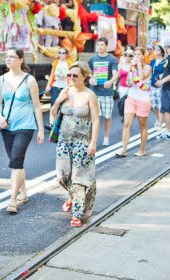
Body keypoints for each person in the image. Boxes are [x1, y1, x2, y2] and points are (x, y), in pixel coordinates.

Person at [0, 48, 44, 214]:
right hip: (7, 126)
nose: (8, 59)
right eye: (7, 56)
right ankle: (23, 192)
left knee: (16, 159)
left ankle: (12, 200)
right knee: (17, 161)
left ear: (21, 60)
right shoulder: (1, 79)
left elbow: (37, 106)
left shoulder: (30, 80)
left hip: (26, 125)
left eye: (12, 57)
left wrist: (41, 130)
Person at [51, 61, 99, 227]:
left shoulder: (90, 96)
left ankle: (77, 214)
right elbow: (53, 113)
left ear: (85, 77)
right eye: (69, 75)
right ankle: (74, 197)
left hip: (82, 142)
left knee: (78, 178)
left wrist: (93, 143)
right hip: (64, 141)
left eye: (75, 76)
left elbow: (95, 120)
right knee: (62, 176)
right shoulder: (65, 91)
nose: (71, 78)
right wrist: (58, 101)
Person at [116, 47, 152, 157]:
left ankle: (142, 150)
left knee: (143, 126)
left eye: (138, 54)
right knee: (127, 124)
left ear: (143, 55)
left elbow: (141, 78)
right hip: (131, 98)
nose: (136, 57)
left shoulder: (147, 67)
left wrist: (139, 65)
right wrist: (129, 81)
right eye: (134, 55)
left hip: (143, 100)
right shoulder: (132, 68)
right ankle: (123, 150)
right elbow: (127, 81)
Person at [88, 37, 119, 146]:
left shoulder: (112, 59)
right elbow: (89, 74)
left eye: (102, 45)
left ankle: (106, 137)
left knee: (107, 116)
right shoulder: (92, 59)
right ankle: (93, 139)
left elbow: (116, 75)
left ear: (106, 46)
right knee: (93, 117)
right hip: (94, 92)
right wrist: (90, 80)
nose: (100, 47)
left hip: (106, 93)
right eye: (98, 45)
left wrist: (110, 82)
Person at [45, 48, 72, 124]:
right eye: (59, 52)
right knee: (53, 104)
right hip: (56, 85)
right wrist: (48, 85)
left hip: (65, 86)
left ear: (66, 54)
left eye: (63, 53)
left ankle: (62, 123)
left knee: (65, 105)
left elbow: (71, 76)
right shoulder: (55, 62)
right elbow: (52, 74)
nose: (61, 54)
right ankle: (51, 123)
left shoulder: (70, 63)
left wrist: (71, 86)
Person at [150, 44, 166, 128]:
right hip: (152, 85)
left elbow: (167, 72)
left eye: (158, 50)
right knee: (153, 105)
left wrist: (161, 77)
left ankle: (159, 123)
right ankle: (159, 118)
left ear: (162, 52)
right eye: (155, 50)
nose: (156, 51)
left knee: (160, 105)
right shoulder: (152, 61)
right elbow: (149, 72)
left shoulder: (165, 61)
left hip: (161, 86)